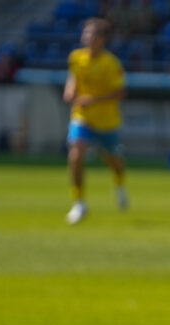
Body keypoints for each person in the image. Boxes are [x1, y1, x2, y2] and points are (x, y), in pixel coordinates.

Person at [62, 17, 128, 225]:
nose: (87, 37)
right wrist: (70, 91)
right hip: (82, 117)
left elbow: (120, 92)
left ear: (102, 39)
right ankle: (79, 203)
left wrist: (94, 100)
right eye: (86, 33)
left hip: (107, 121)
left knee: (113, 161)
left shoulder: (111, 63)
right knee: (76, 153)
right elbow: (74, 78)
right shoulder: (76, 57)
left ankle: (119, 183)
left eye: (92, 34)